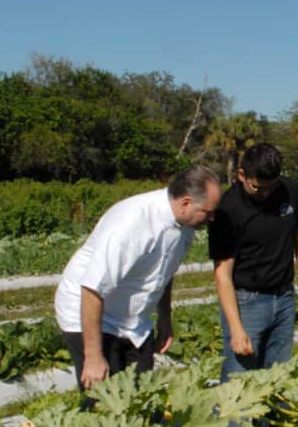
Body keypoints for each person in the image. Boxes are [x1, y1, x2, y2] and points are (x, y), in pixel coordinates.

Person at [55, 166, 221, 389]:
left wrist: (164, 319)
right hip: (89, 313)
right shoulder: (132, 225)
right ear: (185, 202)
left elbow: (165, 272)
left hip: (133, 323)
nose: (212, 219)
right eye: (208, 212)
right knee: (105, 399)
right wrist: (93, 356)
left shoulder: (186, 224)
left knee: (142, 394)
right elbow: (92, 289)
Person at [208, 142, 298, 380]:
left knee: (278, 378)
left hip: (285, 298)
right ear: (241, 175)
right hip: (247, 303)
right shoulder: (228, 210)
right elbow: (222, 274)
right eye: (258, 188)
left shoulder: (289, 190)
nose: (266, 193)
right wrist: (236, 329)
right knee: (240, 383)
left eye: (271, 187)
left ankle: (269, 420)